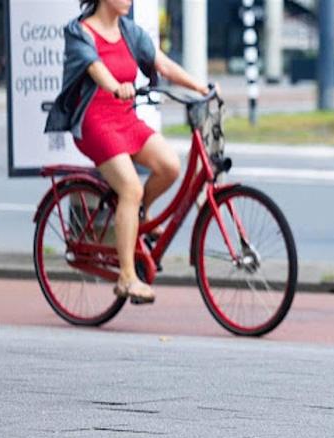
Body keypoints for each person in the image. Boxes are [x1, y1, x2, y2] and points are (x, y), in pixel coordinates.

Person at [45, 0, 210, 304]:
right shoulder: (80, 32)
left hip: (125, 119)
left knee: (170, 166)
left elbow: (162, 64)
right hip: (95, 124)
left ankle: (138, 215)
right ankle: (126, 277)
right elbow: (95, 68)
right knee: (130, 188)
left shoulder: (130, 32)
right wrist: (115, 86)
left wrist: (199, 87)